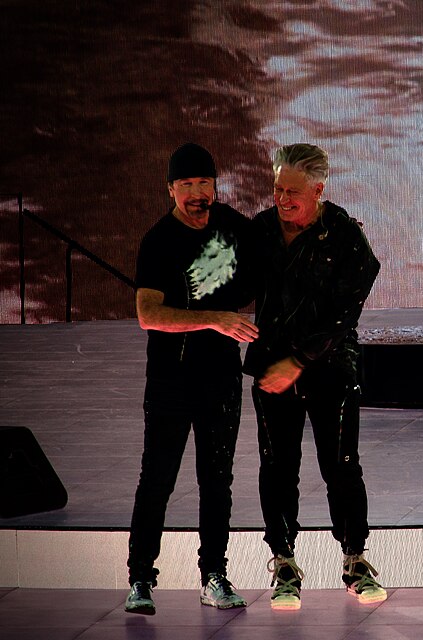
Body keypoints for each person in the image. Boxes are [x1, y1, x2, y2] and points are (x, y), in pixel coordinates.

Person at [243, 143, 384, 610]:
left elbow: (344, 315)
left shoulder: (345, 235)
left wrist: (298, 361)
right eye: (278, 189)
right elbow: (233, 282)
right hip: (272, 366)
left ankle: (355, 559)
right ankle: (284, 563)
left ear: (318, 190)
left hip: (329, 366)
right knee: (277, 466)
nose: (282, 199)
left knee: (340, 466)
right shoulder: (261, 230)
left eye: (293, 192)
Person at [125, 143, 258, 615]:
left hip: (220, 377)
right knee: (157, 478)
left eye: (204, 183)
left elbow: (273, 251)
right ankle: (141, 579)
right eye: (187, 185)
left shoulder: (232, 227)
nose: (197, 193)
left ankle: (214, 576)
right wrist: (214, 319)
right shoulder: (158, 241)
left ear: (216, 186)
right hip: (170, 379)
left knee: (217, 480)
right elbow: (148, 314)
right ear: (170, 190)